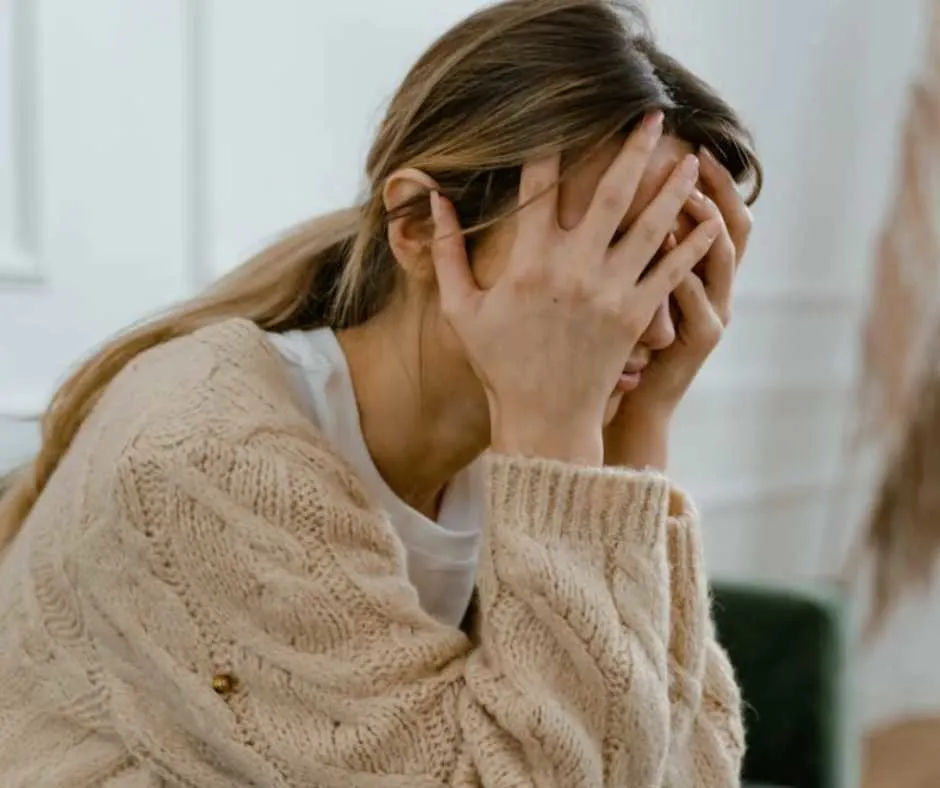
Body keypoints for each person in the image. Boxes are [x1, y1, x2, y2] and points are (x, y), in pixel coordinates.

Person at [0, 0, 762, 785]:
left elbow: (684, 771)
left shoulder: (524, 433)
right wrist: (571, 452)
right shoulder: (210, 455)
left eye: (680, 263)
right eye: (608, 248)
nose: (648, 319)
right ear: (421, 228)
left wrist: (637, 434)